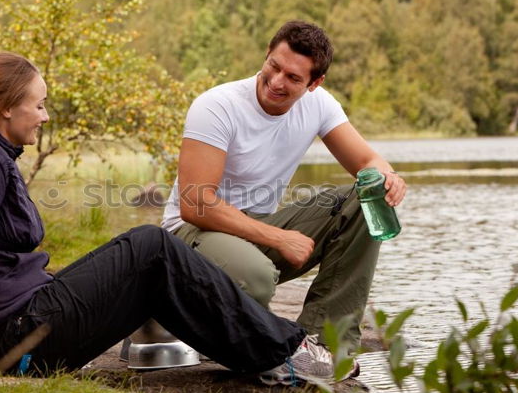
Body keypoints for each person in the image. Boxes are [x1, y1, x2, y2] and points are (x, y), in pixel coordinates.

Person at [0, 52, 359, 386]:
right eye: (39, 105)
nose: (45, 115)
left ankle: (269, 356)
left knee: (151, 261)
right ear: (6, 110)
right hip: (19, 339)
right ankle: (286, 354)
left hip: (29, 321)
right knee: (151, 246)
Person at [161, 21, 407, 348]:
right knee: (257, 279)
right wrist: (278, 238)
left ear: (314, 83)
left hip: (254, 229)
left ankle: (326, 345)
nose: (276, 82)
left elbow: (367, 163)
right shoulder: (217, 106)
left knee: (366, 199)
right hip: (189, 235)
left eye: (293, 78)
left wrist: (387, 177)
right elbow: (195, 205)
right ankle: (235, 342)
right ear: (267, 54)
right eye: (274, 66)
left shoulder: (320, 105)